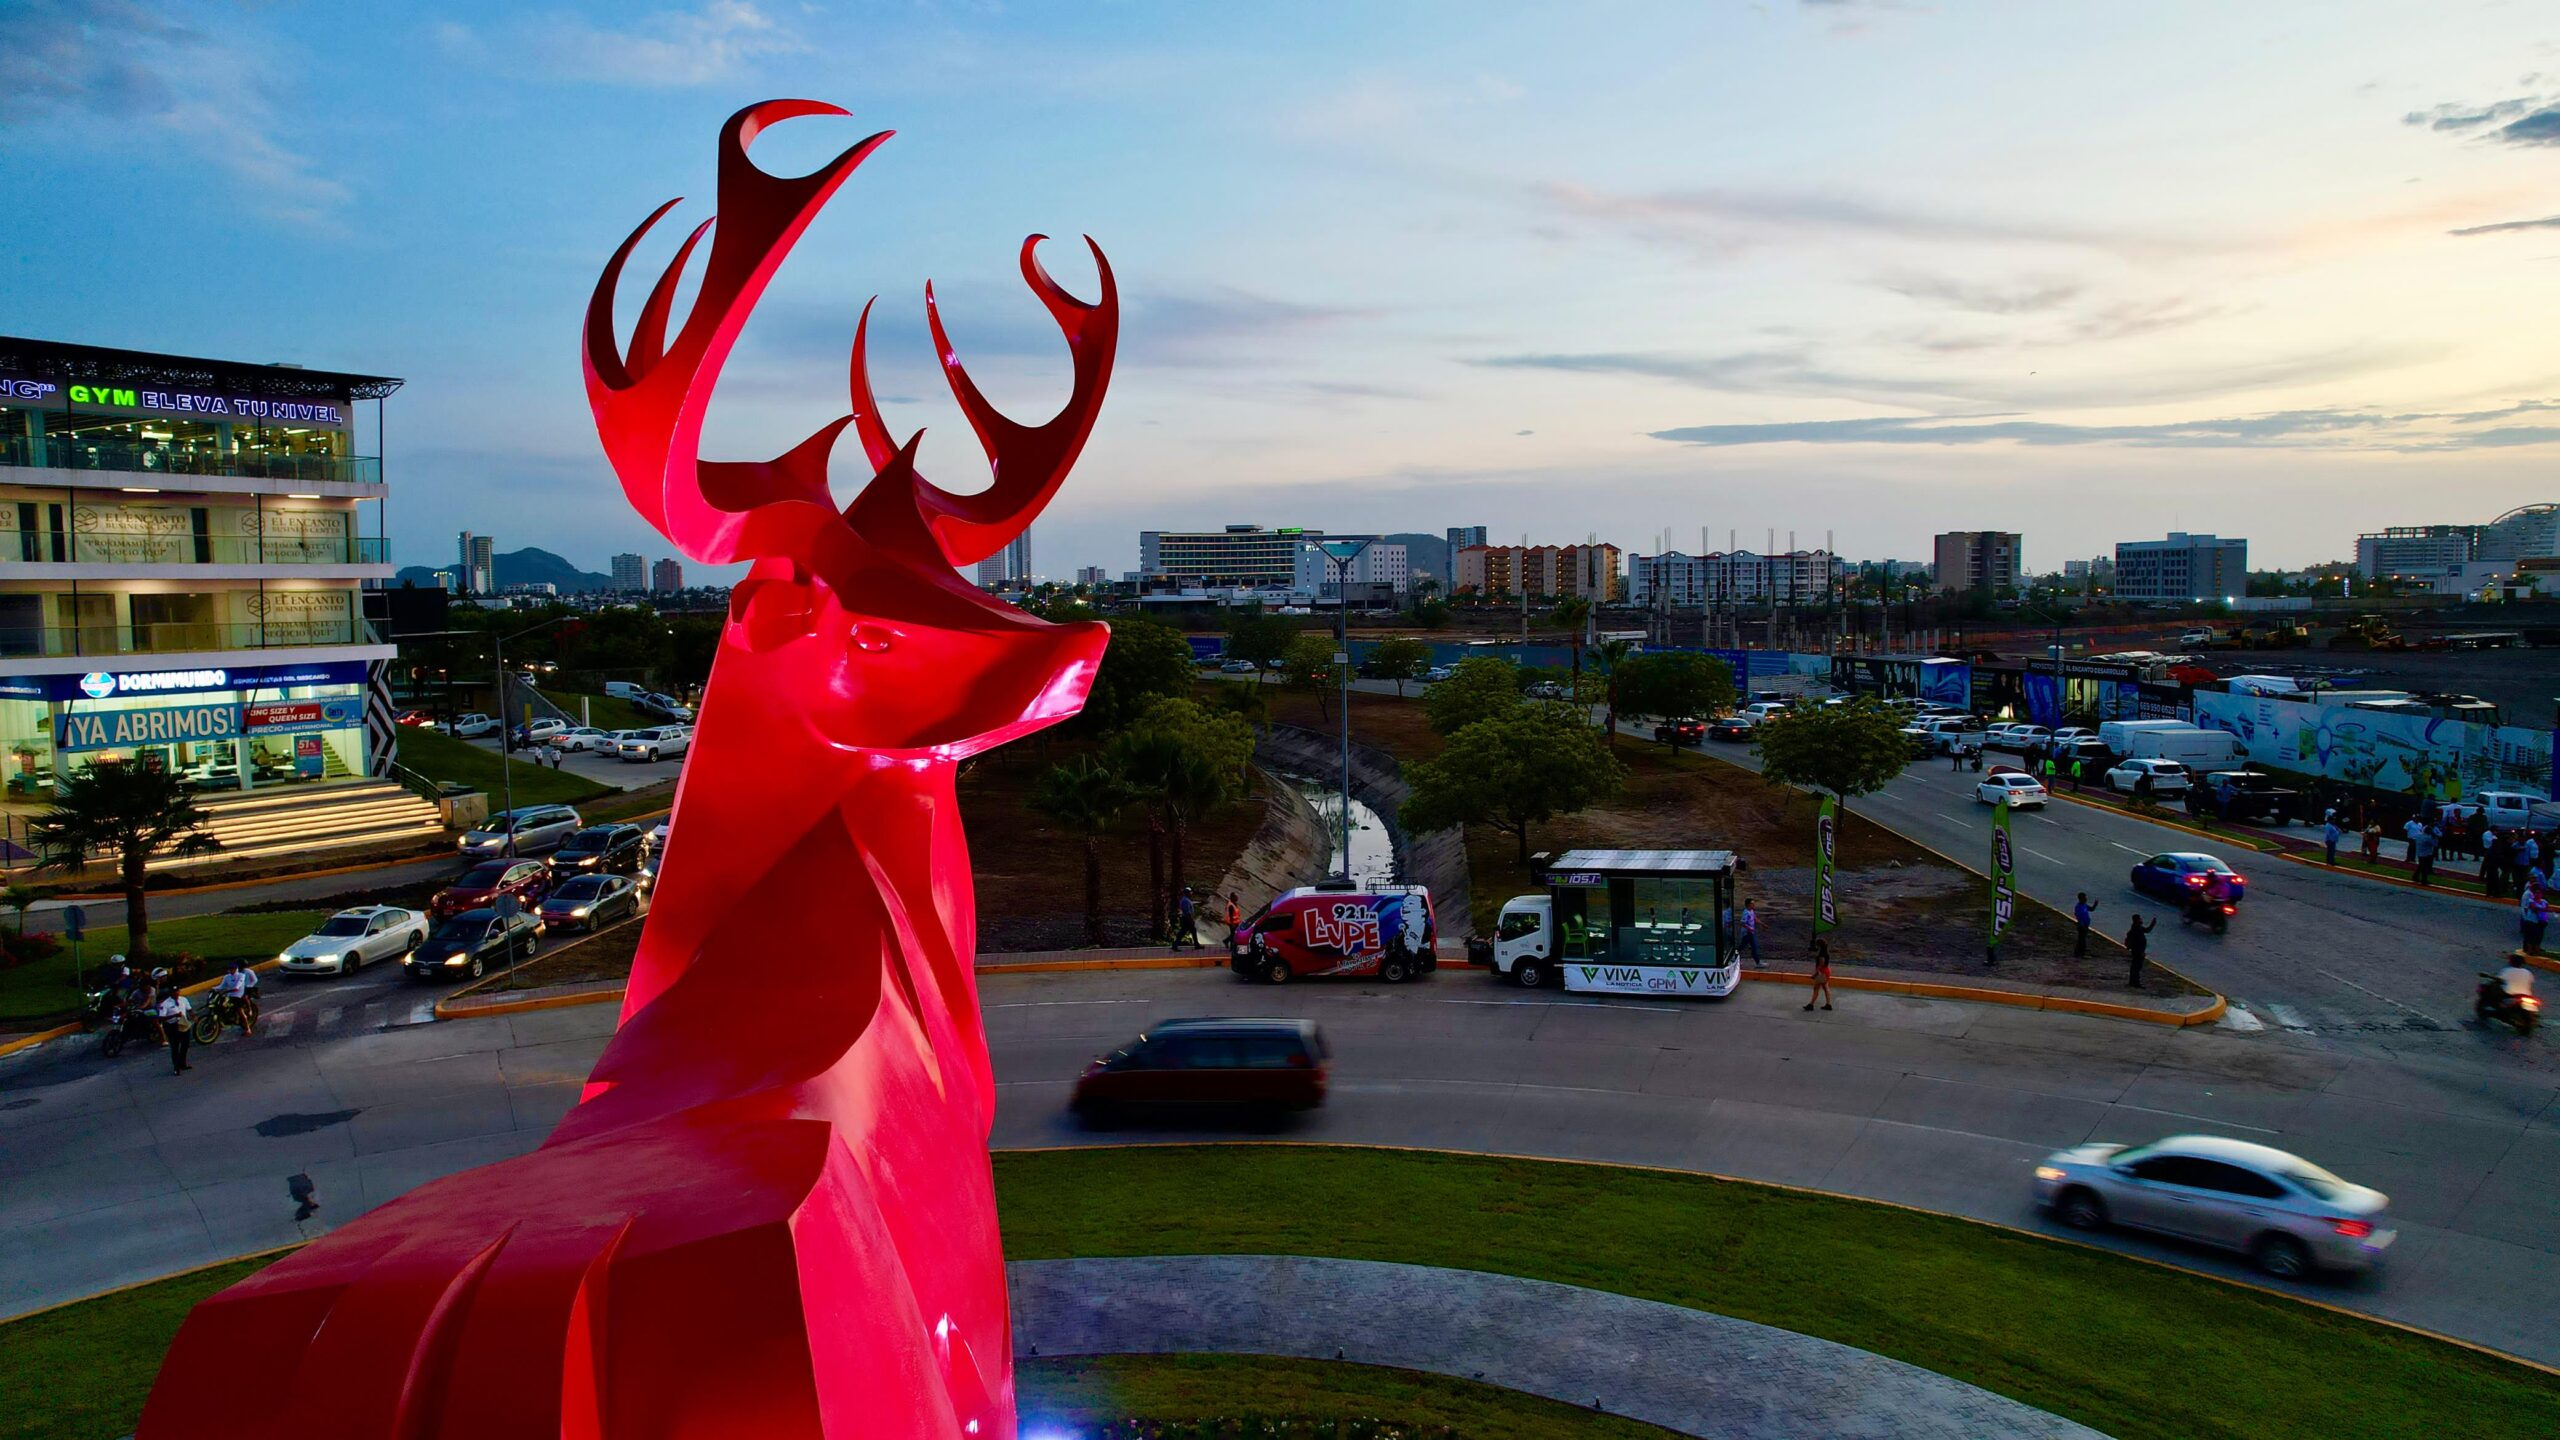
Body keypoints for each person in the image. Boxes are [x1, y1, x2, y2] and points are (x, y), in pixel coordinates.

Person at [155, 988, 194, 1074]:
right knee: (175, 1046)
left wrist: (193, 1016)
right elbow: (161, 1018)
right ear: (171, 993)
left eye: (177, 991)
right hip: (172, 1026)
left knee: (185, 1044)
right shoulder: (165, 1004)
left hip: (183, 1023)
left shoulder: (183, 999)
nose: (176, 994)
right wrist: (174, 1015)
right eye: (174, 992)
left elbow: (189, 1009)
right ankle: (176, 1067)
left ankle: (183, 1063)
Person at [2124, 914, 2156, 989]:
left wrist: (2152, 924)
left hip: (2137, 951)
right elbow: (2138, 942)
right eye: (2140, 919)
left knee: (2135, 966)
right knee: (2136, 967)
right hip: (2138, 951)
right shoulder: (2137, 929)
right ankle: (2135, 983)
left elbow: (2147, 930)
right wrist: (2141, 952)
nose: (2142, 920)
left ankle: (2133, 982)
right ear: (2137, 920)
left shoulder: (2137, 927)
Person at [1803, 938, 1833, 1011]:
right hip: (1826, 971)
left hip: (1821, 973)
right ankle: (1828, 1004)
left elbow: (1821, 964)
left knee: (1816, 988)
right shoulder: (1826, 952)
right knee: (1826, 988)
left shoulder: (1821, 954)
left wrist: (1815, 974)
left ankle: (1811, 1005)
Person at [2521, 885, 2550, 956]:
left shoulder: (2544, 901)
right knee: (2530, 937)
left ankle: (2537, 951)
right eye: (2536, 893)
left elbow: (2545, 908)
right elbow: (2534, 908)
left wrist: (2541, 909)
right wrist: (2543, 909)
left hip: (2540, 922)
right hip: (2531, 921)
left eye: (2539, 893)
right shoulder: (2530, 900)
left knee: (2538, 937)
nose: (2537, 894)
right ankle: (2529, 950)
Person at [1170, 887, 1201, 951]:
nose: (1191, 893)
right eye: (1190, 892)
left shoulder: (1186, 900)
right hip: (1187, 919)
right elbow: (1187, 912)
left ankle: (1196, 944)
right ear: (1187, 893)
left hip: (1186, 918)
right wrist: (1191, 919)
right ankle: (1175, 945)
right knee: (1183, 932)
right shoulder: (1185, 901)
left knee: (1191, 931)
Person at [1738, 900, 1760, 966]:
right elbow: (1742, 923)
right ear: (1748, 904)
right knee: (1754, 946)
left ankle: (1734, 957)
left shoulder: (1751, 911)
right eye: (1752, 904)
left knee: (1742, 946)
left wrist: (1763, 925)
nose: (1754, 905)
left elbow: (1755, 918)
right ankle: (1758, 963)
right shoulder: (1746, 913)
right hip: (1747, 933)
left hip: (1750, 932)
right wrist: (1750, 928)